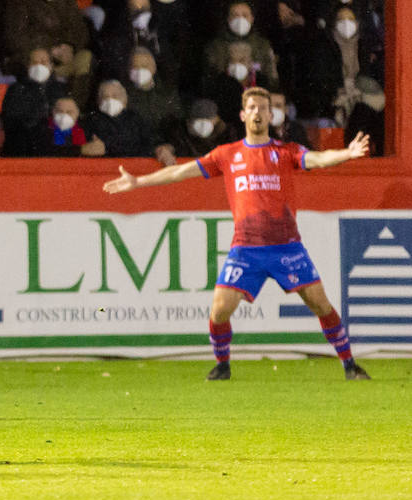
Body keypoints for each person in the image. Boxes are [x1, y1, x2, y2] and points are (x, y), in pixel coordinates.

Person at [104, 87, 372, 381]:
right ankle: (222, 366)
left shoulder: (286, 152)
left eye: (263, 108)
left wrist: (348, 153)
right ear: (244, 115)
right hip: (246, 249)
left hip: (287, 247)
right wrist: (138, 181)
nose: (258, 113)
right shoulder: (227, 154)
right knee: (219, 311)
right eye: (252, 108)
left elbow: (318, 160)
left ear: (271, 115)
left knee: (321, 305)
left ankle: (349, 365)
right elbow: (180, 172)